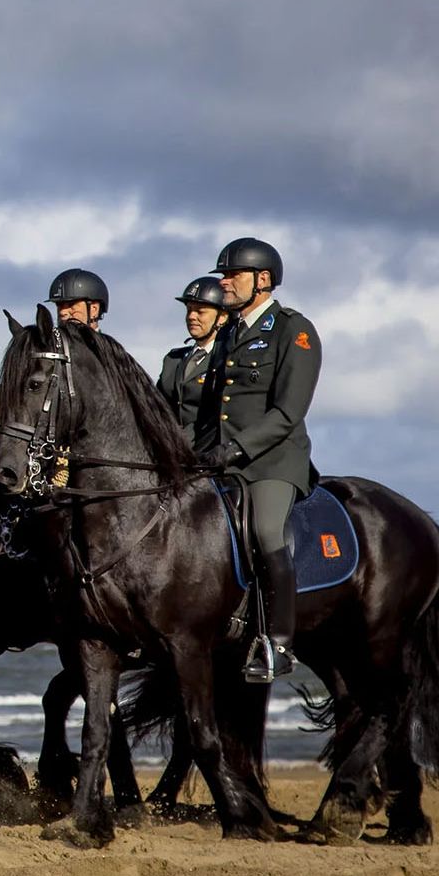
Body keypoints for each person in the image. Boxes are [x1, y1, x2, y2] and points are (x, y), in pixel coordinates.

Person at [195, 238, 322, 682]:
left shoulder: (293, 330)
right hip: (222, 459)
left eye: (232, 275)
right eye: (223, 275)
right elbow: (214, 408)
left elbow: (289, 411)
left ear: (262, 280)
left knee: (267, 530)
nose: (224, 282)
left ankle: (280, 645)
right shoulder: (228, 333)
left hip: (272, 461)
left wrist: (236, 449)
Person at [155, 276, 235, 427]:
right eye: (189, 310)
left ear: (222, 317)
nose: (191, 316)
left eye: (200, 312)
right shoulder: (173, 359)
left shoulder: (228, 358)